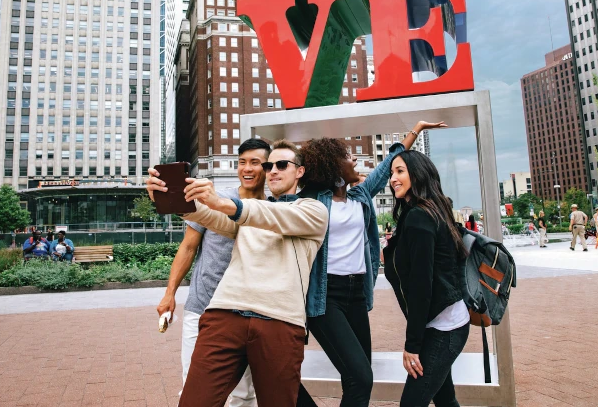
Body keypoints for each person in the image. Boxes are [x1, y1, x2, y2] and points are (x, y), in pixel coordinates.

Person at [295, 121, 445, 407]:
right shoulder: (312, 200)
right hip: (325, 298)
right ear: (334, 167)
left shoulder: (360, 196)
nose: (354, 160)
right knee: (360, 376)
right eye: (348, 157)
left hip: (356, 294)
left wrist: (416, 129)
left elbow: (389, 163)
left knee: (360, 378)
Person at [172, 140, 329, 407]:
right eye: (269, 166)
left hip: (279, 320)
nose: (273, 171)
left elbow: (269, 215)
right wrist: (173, 197)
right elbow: (213, 218)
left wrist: (223, 203)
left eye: (282, 165)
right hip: (225, 313)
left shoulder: (313, 210)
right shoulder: (248, 214)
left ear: (299, 171)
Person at [148, 139, 271, 406]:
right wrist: (169, 294)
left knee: (242, 395)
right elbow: (188, 247)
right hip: (202, 307)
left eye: (255, 163)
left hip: (247, 312)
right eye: (242, 163)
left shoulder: (273, 208)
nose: (247, 169)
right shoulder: (218, 199)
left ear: (268, 166)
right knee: (193, 387)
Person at [383, 151, 469, 407]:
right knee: (445, 399)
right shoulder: (429, 211)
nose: (393, 179)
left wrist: (413, 345)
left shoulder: (420, 216)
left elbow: (422, 286)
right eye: (391, 173)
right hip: (445, 321)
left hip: (444, 327)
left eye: (400, 171)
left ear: (417, 174)